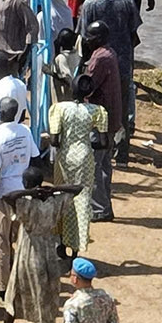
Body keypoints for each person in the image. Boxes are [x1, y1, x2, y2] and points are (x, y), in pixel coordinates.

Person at [0, 162, 78, 323]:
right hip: (49, 255)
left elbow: (9, 197)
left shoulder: (26, 204)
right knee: (48, 303)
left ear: (26, 183)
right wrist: (55, 189)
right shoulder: (55, 203)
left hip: (28, 255)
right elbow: (77, 188)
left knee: (12, 297)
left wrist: (30, 192)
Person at [76, 0, 140, 160]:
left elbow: (85, 37)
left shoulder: (90, 4)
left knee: (97, 104)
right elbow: (134, 31)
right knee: (122, 105)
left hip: (99, 63)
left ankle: (101, 148)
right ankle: (122, 152)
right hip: (122, 60)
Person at [50, 72, 107, 254]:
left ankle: (60, 243)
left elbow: (54, 140)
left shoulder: (60, 108)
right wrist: (86, 143)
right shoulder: (96, 111)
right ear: (88, 94)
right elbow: (104, 142)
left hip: (64, 157)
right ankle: (76, 248)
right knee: (81, 200)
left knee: (61, 195)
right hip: (84, 158)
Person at [79, 21, 124, 219]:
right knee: (104, 164)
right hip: (111, 117)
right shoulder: (110, 53)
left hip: (100, 120)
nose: (86, 39)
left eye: (89, 36)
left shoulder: (99, 58)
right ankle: (104, 205)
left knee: (94, 166)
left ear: (97, 38)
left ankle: (99, 209)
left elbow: (87, 86)